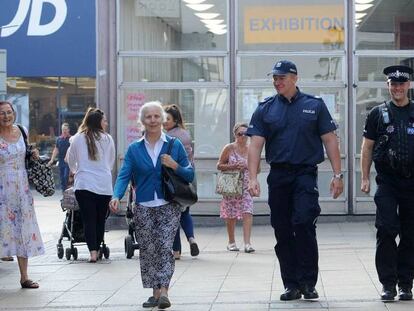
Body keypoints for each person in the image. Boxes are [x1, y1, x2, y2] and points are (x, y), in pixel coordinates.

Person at [246, 60, 343, 301]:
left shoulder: (315, 106)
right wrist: (252, 177)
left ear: (295, 78)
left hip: (304, 174)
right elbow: (255, 144)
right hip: (278, 176)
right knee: (282, 228)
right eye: (275, 78)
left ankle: (308, 282)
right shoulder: (265, 109)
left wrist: (337, 175)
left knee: (303, 223)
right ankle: (291, 284)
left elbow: (330, 140)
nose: (277, 82)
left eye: (282, 78)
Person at [109, 101, 194, 310]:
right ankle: (155, 292)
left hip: (168, 204)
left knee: (165, 246)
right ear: (142, 121)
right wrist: (115, 195)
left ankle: (164, 290)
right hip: (143, 205)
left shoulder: (174, 145)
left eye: (157, 116)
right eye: (149, 117)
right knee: (148, 249)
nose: (153, 120)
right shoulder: (134, 149)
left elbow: (190, 174)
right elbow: (124, 175)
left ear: (163, 119)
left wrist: (174, 165)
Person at [360, 64, 414, 301]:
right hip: (388, 183)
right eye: (393, 85)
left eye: (401, 84)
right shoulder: (377, 114)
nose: (397, 88)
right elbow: (367, 147)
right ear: (388, 86)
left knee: (411, 235)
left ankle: (405, 285)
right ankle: (388, 284)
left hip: (413, 184)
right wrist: (364, 177)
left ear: (409, 85)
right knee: (386, 230)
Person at [0, 101, 45, 288]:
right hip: (2, 188)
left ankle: (24, 276)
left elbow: (27, 153)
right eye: (2, 113)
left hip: (22, 189)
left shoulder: (22, 130)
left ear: (14, 113)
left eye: (9, 112)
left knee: (22, 230)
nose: (6, 116)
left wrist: (33, 153)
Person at [65, 108, 115, 263]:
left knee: (88, 220)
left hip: (84, 184)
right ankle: (98, 248)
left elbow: (70, 158)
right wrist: (103, 171)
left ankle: (93, 252)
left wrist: (75, 170)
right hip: (103, 185)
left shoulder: (77, 138)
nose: (106, 123)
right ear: (98, 122)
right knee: (100, 220)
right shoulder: (107, 138)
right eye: (104, 120)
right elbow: (111, 162)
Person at [163, 104, 199, 260]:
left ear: (175, 119)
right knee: (185, 211)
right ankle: (191, 238)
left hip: (174, 178)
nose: (164, 122)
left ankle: (176, 250)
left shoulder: (171, 137)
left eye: (167, 119)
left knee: (173, 213)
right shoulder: (186, 133)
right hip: (188, 177)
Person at [217, 122, 255, 253]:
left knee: (248, 211)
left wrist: (248, 168)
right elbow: (219, 165)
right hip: (232, 186)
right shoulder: (229, 148)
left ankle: (247, 243)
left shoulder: (252, 149)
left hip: (246, 185)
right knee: (231, 214)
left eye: (246, 134)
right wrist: (232, 166)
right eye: (240, 134)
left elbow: (258, 168)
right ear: (235, 135)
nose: (243, 136)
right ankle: (231, 242)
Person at [48, 122, 71, 192]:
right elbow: (56, 149)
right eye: (63, 129)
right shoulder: (59, 139)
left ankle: (67, 190)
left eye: (66, 129)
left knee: (66, 176)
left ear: (68, 130)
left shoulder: (71, 139)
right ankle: (64, 192)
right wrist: (52, 159)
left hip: (69, 161)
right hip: (61, 161)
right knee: (62, 177)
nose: (64, 131)